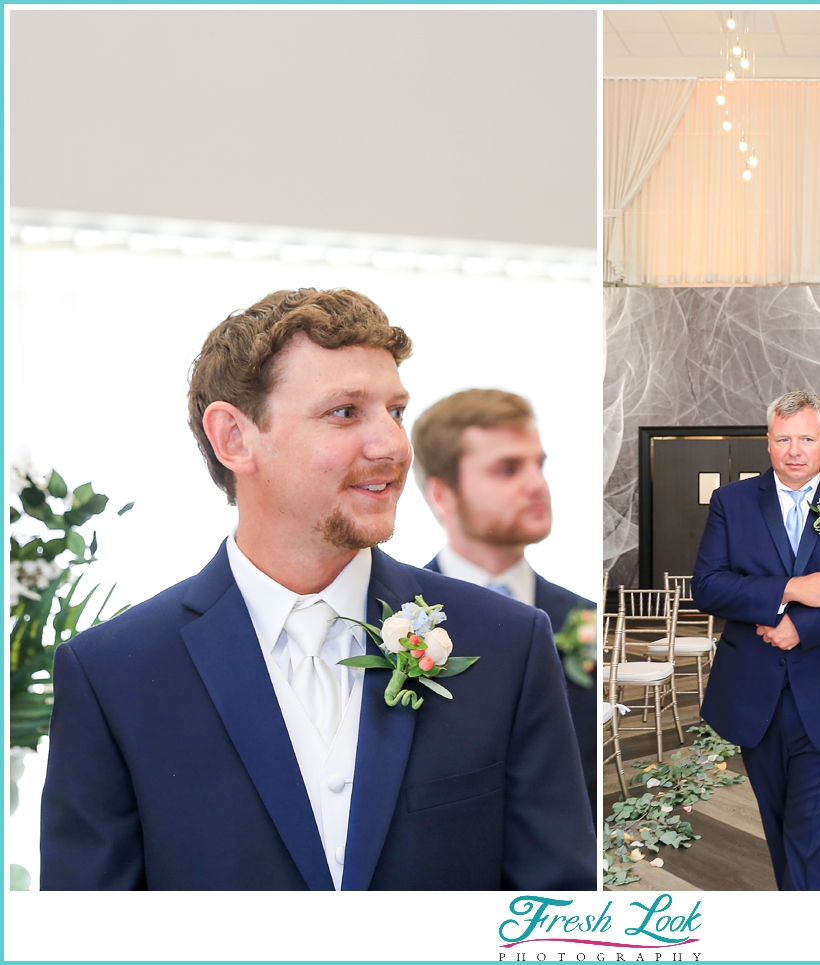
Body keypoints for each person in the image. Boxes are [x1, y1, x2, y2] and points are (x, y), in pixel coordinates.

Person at [39, 288, 594, 890]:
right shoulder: (112, 673)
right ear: (235, 438)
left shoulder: (508, 644)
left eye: (396, 411)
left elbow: (555, 915)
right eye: (345, 412)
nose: (393, 446)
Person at [692, 390, 820, 891]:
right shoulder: (732, 502)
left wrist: (801, 626)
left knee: (809, 830)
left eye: (806, 438)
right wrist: (792, 589)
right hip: (752, 692)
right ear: (767, 443)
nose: (794, 450)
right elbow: (708, 585)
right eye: (783, 439)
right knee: (781, 823)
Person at [411, 389, 596, 813]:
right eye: (507, 469)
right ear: (443, 495)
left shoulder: (583, 617)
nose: (537, 484)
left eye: (539, 464)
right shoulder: (391, 629)